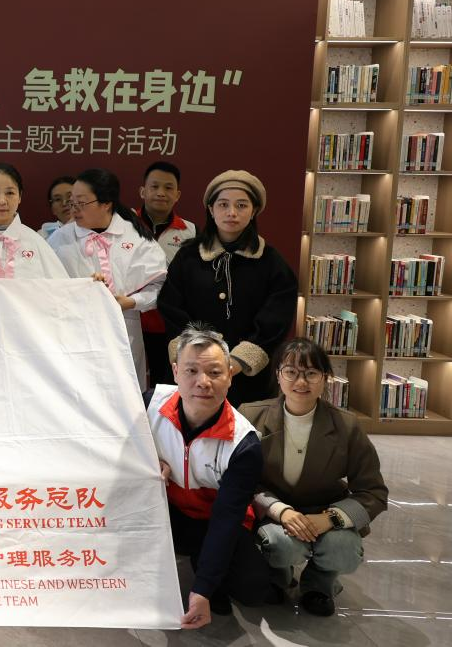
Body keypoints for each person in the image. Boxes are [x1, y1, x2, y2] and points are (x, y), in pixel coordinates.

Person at [240, 338, 388, 617]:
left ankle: (319, 585)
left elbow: (374, 492)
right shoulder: (250, 415)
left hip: (325, 511)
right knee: (280, 546)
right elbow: (240, 480)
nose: (301, 381)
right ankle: (277, 577)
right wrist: (281, 511)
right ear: (278, 375)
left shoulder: (346, 425)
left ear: (326, 378)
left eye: (311, 373)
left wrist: (330, 519)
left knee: (343, 549)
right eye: (291, 372)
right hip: (275, 513)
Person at [146, 324, 270, 628]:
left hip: (214, 518)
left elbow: (227, 519)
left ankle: (209, 565)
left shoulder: (244, 444)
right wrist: (147, 456)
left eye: (214, 373)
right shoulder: (149, 404)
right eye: (191, 371)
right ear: (175, 372)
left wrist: (202, 590)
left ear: (230, 375)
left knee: (253, 589)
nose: (202, 382)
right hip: (168, 512)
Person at [158, 170, 298, 407]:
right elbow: (171, 307)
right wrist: (196, 358)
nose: (232, 212)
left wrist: (238, 361)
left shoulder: (272, 263)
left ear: (254, 211)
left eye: (241, 205)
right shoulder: (188, 256)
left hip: (248, 380)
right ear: (211, 209)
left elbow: (276, 319)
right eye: (223, 204)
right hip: (193, 373)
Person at [49, 168, 167, 391]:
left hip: (124, 332)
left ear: (106, 203)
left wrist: (131, 302)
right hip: (74, 333)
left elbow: (161, 286)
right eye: (72, 202)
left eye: (81, 203)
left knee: (124, 395)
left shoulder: (136, 237)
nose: (73, 209)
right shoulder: (60, 240)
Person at [137, 161, 197, 387]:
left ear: (178, 194)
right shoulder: (124, 224)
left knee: (166, 385)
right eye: (154, 187)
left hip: (170, 325)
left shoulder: (190, 231)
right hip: (131, 320)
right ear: (143, 191)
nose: (161, 193)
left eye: (168, 188)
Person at [0, 163, 67, 279]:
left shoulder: (36, 242)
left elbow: (61, 286)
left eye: (10, 193)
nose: (2, 201)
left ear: (20, 196)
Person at [40, 175, 75, 239]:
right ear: (53, 209)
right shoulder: (42, 236)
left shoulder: (93, 228)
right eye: (58, 199)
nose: (64, 203)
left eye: (70, 196)